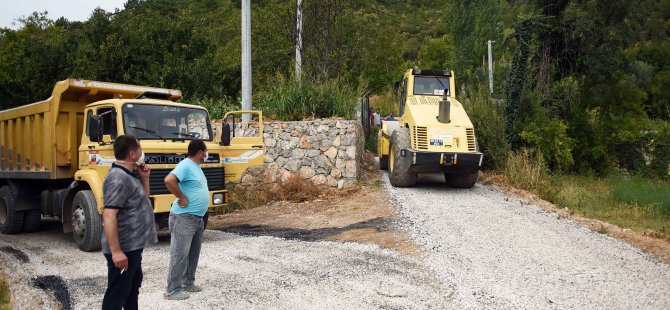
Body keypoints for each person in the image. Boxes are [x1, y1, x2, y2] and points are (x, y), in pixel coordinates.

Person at [101, 135, 157, 310]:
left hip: (133, 247)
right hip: (124, 248)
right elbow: (109, 216)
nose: (143, 153)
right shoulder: (118, 179)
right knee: (117, 294)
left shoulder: (131, 175)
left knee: (132, 289)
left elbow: (143, 201)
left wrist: (145, 178)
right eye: (140, 149)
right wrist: (116, 251)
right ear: (132, 154)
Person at [164, 139, 210, 300]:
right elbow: (169, 180)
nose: (207, 153)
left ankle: (188, 283)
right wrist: (181, 197)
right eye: (206, 150)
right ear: (200, 152)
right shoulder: (185, 165)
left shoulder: (196, 167)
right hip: (184, 218)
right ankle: (172, 290)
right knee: (179, 254)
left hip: (197, 218)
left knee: (193, 253)